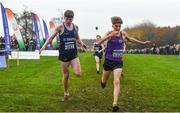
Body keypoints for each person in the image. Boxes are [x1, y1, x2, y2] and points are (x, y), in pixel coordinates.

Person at [97, 16, 151, 112]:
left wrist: (142, 43)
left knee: (117, 81)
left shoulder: (123, 33)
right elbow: (99, 42)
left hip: (118, 61)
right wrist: (110, 36)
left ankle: (115, 104)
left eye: (119, 26)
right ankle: (102, 81)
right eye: (116, 26)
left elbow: (131, 39)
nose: (118, 28)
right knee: (104, 80)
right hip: (108, 61)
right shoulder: (109, 33)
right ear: (112, 25)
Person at [40, 10, 87, 101]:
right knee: (66, 75)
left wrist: (82, 44)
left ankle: (68, 88)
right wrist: (44, 46)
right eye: (67, 19)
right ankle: (66, 92)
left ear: (73, 18)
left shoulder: (75, 27)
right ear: (64, 18)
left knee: (78, 73)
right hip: (64, 55)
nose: (69, 21)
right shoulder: (60, 27)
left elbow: (77, 38)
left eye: (71, 19)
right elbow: (51, 37)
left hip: (73, 54)